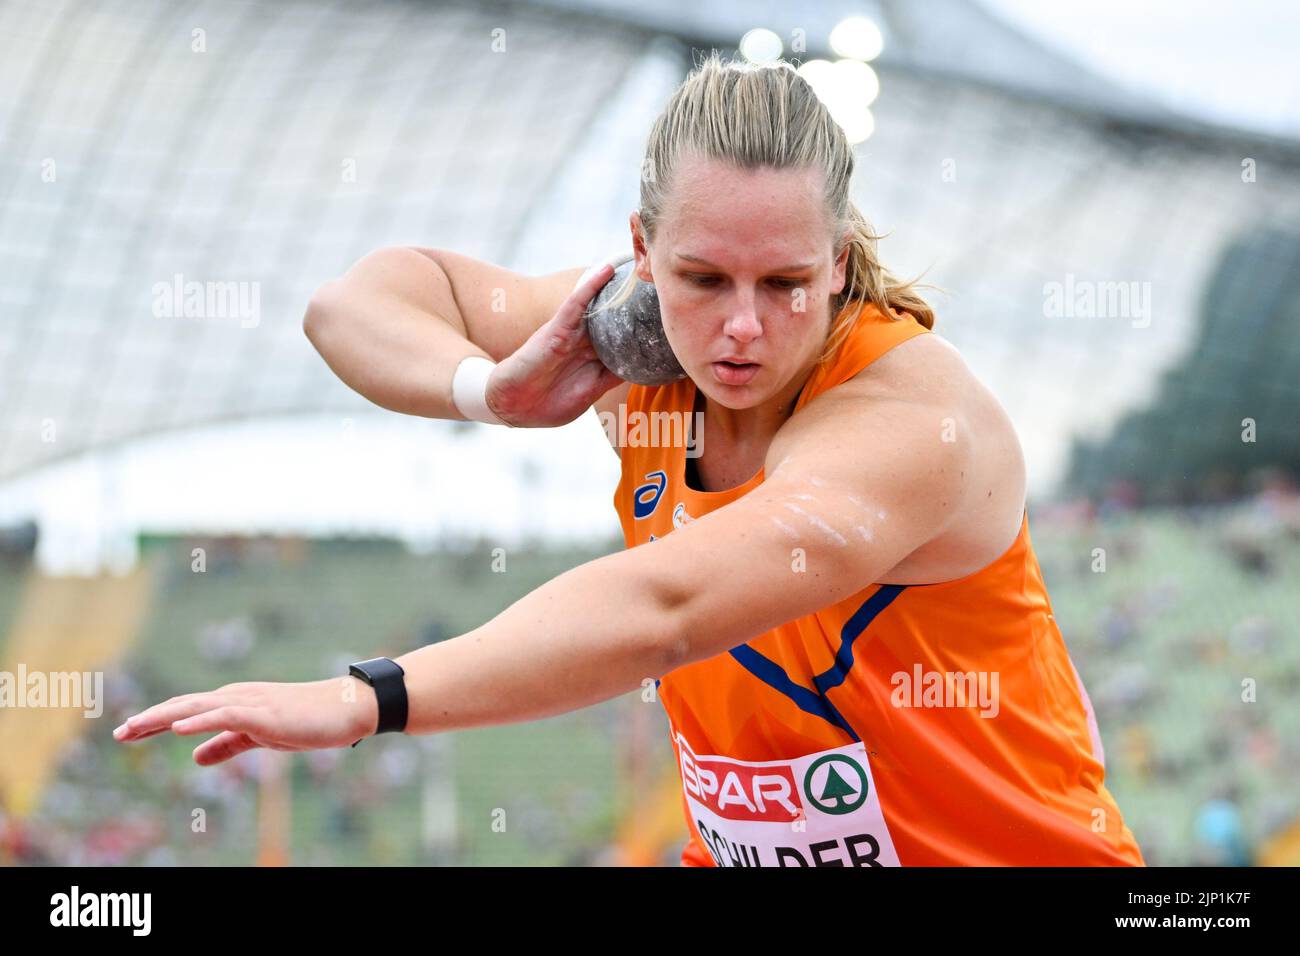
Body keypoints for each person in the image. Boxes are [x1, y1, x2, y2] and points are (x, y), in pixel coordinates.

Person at [113, 52, 1144, 866]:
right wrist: (494, 388)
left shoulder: (908, 419)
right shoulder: (627, 339)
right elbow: (352, 304)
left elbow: (665, 606)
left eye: (786, 280)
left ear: (837, 260)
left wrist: (363, 697)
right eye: (702, 277)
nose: (741, 327)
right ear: (642, 247)